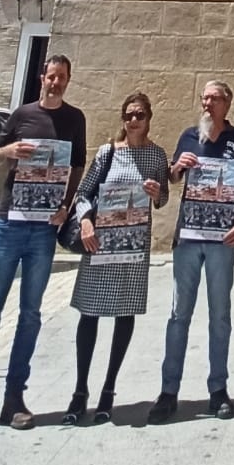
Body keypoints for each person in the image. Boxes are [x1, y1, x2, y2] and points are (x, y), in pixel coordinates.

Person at [0, 53, 87, 434]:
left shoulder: (75, 119)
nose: (55, 82)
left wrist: (66, 205)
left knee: (30, 314)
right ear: (42, 77)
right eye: (51, 76)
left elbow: (77, 166)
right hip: (8, 222)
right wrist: (7, 152)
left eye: (62, 77)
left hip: (44, 228)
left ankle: (15, 398)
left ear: (68, 80)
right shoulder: (22, 115)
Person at [148, 78, 234, 422]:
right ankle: (169, 391)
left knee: (220, 316)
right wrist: (178, 168)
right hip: (189, 240)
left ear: (227, 103)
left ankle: (218, 389)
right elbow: (172, 178)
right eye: (204, 99)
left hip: (223, 241)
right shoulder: (189, 136)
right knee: (179, 315)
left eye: (214, 99)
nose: (206, 104)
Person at [65, 90, 170, 423]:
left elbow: (163, 199)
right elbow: (84, 193)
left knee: (125, 315)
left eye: (139, 114)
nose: (133, 120)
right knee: (90, 315)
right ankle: (80, 391)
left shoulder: (157, 156)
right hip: (100, 245)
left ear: (149, 119)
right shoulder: (108, 152)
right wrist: (84, 222)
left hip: (133, 248)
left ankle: (108, 389)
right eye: (128, 115)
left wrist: (158, 193)